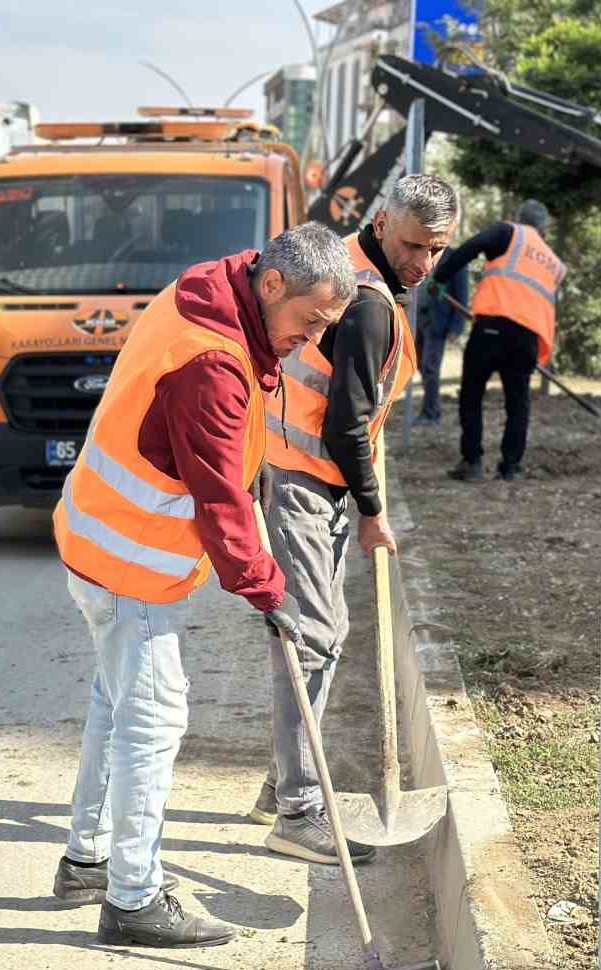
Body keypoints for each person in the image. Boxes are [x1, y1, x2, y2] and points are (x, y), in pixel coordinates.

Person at [51, 223, 357, 949]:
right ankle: (133, 899)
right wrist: (268, 589)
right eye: (310, 320)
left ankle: (86, 860)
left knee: (114, 704)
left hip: (94, 533)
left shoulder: (209, 294)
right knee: (153, 721)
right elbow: (222, 498)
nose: (311, 339)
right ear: (273, 285)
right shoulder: (213, 365)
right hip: (133, 559)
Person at [249, 175, 460, 864]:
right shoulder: (366, 304)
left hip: (298, 470)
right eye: (413, 245)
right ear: (379, 222)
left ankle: (284, 778)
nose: (424, 264)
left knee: (314, 633)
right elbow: (345, 425)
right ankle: (299, 809)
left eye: (438, 249)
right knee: (315, 636)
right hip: (302, 479)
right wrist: (372, 512)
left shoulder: (357, 268)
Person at [431, 199, 565, 482]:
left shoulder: (509, 233)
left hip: (493, 329)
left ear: (518, 217)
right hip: (528, 339)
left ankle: (473, 463)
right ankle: (510, 468)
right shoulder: (554, 263)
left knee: (472, 394)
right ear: (544, 230)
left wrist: (440, 277)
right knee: (518, 403)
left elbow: (470, 248)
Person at [413, 246, 470, 424]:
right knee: (420, 364)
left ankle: (431, 413)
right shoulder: (420, 250)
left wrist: (456, 327)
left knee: (430, 366)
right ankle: (430, 407)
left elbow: (462, 294)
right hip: (416, 317)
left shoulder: (455, 257)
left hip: (438, 320)